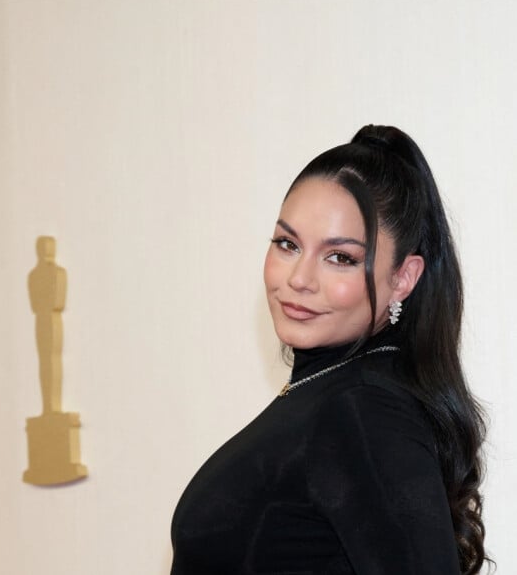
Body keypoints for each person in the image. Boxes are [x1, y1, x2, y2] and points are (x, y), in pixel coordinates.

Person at [171, 125, 489, 574]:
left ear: (403, 278)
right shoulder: (329, 395)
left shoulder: (362, 411)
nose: (299, 278)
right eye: (288, 244)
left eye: (340, 257)